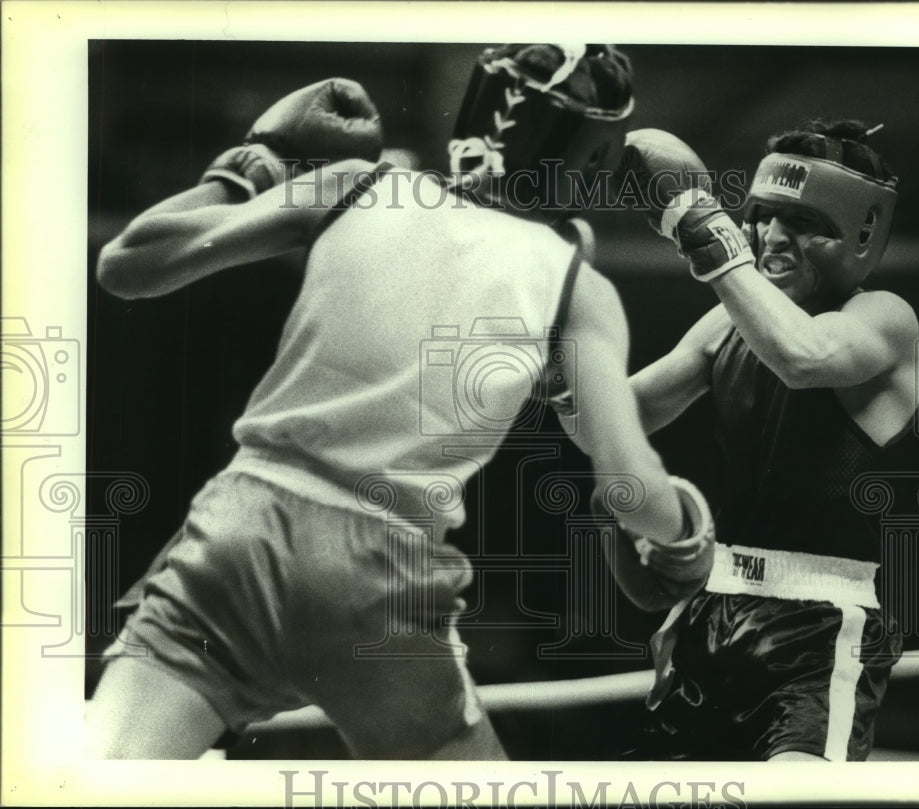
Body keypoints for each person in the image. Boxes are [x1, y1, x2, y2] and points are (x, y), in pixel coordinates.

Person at [88, 45, 715, 760]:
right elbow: (628, 486)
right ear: (595, 157)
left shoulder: (356, 184)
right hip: (378, 571)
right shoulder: (577, 285)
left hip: (237, 532)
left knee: (103, 777)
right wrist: (686, 535)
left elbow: (128, 264)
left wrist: (251, 167)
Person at [604, 120, 919, 761]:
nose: (773, 238)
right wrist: (543, 317)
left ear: (860, 234)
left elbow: (802, 356)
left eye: (802, 222)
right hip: (710, 610)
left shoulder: (884, 318)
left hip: (819, 625)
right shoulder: (727, 320)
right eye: (762, 217)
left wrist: (703, 230)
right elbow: (616, 411)